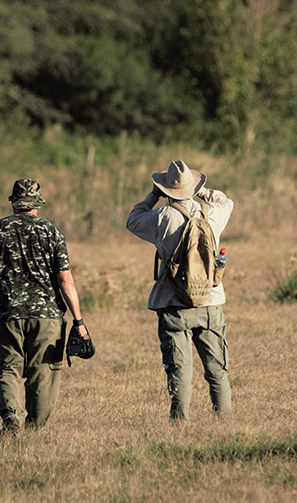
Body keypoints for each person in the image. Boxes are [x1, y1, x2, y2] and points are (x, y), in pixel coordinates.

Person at [0, 178, 89, 433]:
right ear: (37, 204)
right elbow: (65, 279)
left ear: (14, 203)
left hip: (5, 314)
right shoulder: (51, 231)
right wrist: (79, 321)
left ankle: (11, 418)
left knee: (6, 370)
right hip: (47, 316)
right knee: (43, 372)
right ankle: (35, 427)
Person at [127, 160, 233, 421]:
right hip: (210, 301)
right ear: (194, 186)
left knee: (180, 370)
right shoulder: (213, 213)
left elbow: (133, 220)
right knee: (217, 369)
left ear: (167, 190)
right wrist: (202, 192)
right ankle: (225, 421)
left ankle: (180, 423)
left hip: (173, 302)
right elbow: (226, 201)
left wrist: (153, 195)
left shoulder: (162, 217)